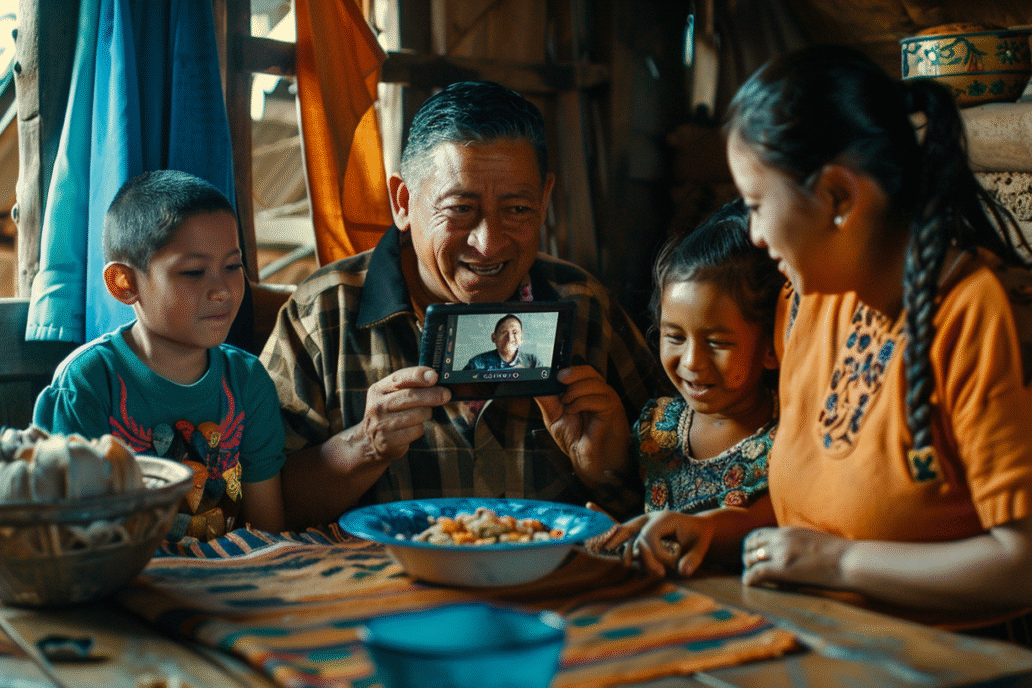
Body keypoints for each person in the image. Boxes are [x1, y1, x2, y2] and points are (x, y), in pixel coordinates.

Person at [633, 44, 1032, 636]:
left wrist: (843, 564)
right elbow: (823, 513)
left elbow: (1021, 565)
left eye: (758, 205)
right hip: (819, 635)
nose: (756, 234)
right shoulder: (806, 301)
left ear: (840, 199)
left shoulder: (978, 314)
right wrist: (718, 528)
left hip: (953, 662)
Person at [259, 81, 666, 530]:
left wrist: (611, 468)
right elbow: (259, 509)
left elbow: (681, 482)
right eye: (460, 209)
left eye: (517, 210)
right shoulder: (324, 314)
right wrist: (364, 446)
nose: (488, 244)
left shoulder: (585, 308)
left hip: (549, 592)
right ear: (403, 202)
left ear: (545, 198)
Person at [33, 170, 286, 542]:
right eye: (194, 271)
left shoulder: (248, 382)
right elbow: (68, 537)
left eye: (233, 266)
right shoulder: (88, 384)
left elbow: (269, 533)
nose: (221, 290)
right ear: (126, 283)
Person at [591, 200, 784, 575]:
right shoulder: (657, 427)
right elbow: (636, 514)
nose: (692, 362)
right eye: (675, 336)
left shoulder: (789, 436)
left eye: (718, 343)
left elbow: (778, 516)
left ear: (771, 347)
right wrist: (617, 532)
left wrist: (708, 530)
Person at [463, 314, 542, 370]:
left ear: (521, 338)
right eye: (504, 332)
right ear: (494, 338)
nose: (510, 338)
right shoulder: (477, 364)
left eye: (515, 332)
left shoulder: (532, 362)